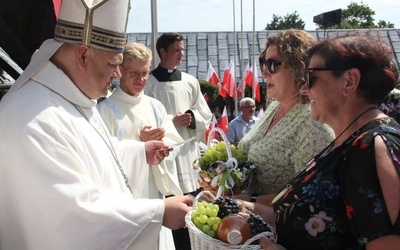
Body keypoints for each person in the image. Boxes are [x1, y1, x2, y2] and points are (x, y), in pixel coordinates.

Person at [0, 1, 193, 249]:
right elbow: (71, 217)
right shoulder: (34, 118)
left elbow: (91, 153)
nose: (117, 75)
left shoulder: (70, 96)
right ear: (82, 55)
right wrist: (158, 213)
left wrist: (139, 151)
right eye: (113, 65)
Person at [242, 34, 400, 250]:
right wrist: (241, 207)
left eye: (310, 77)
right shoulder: (349, 139)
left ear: (349, 81)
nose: (304, 88)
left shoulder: (371, 147)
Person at [97, 42, 184, 249]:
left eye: (145, 73)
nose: (141, 79)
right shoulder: (105, 110)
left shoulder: (155, 106)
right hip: (123, 200)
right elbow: (101, 155)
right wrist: (140, 146)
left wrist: (163, 147)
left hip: (153, 192)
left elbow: (175, 143)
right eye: (134, 73)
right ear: (120, 71)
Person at [237, 29, 334, 205]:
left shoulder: (313, 122)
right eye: (263, 63)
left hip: (280, 227)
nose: (265, 72)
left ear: (299, 67)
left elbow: (308, 194)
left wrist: (252, 200)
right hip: (249, 220)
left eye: (272, 64)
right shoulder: (274, 107)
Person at [145, 32, 212, 250]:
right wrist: (170, 122)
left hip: (188, 159)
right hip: (164, 160)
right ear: (162, 52)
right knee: (170, 221)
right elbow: (143, 120)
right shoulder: (149, 84)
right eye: (177, 49)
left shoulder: (191, 82)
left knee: (191, 217)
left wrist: (192, 118)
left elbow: (205, 113)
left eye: (182, 50)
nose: (182, 54)